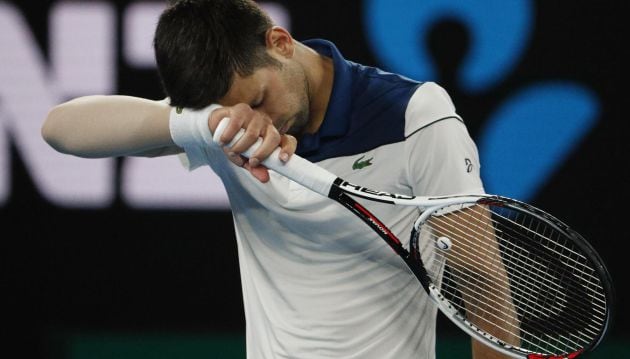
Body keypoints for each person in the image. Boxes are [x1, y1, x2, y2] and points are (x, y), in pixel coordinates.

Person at [41, 0, 505, 358]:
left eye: (260, 98)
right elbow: (60, 130)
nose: (261, 119)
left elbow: (484, 285)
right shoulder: (227, 126)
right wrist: (210, 125)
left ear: (280, 42)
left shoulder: (414, 115)